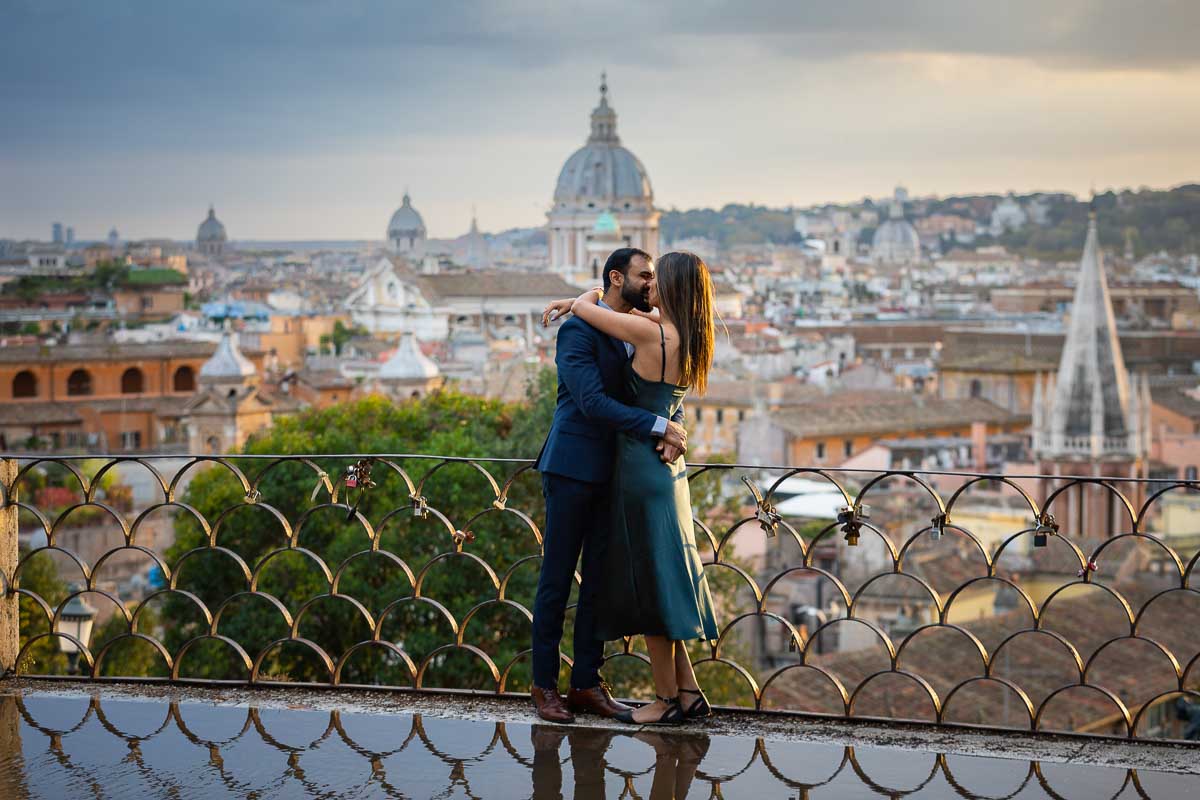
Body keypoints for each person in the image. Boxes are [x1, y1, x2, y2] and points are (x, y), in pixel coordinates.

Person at [531, 248, 689, 724]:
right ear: (618, 278)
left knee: (598, 583)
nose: (651, 283)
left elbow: (660, 389)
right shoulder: (578, 330)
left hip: (616, 473)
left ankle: (584, 684)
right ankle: (543, 687)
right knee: (556, 581)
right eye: (644, 276)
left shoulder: (639, 328)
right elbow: (592, 402)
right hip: (573, 466)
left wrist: (671, 424)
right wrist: (659, 427)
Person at [566, 251, 720, 726]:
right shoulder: (686, 334)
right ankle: (690, 694)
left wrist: (582, 295)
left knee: (652, 586)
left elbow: (586, 310)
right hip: (666, 472)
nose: (648, 286)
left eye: (657, 279)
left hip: (638, 466)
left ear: (670, 288)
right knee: (665, 574)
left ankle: (665, 700)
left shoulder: (652, 332)